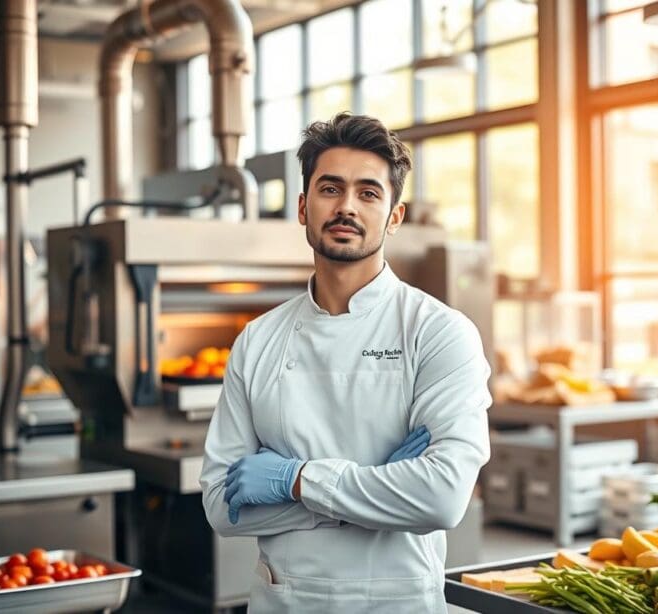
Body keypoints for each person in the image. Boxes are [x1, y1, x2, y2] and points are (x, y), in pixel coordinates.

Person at [200, 112, 491, 613]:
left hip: (398, 604)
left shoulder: (439, 333)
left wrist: (294, 480)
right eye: (330, 189)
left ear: (394, 217)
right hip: (284, 603)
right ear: (303, 207)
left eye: (369, 193)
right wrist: (378, 489)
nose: (346, 207)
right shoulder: (257, 340)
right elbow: (221, 508)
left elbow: (442, 498)